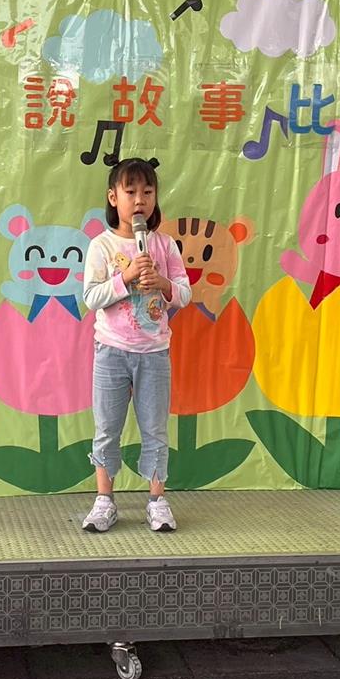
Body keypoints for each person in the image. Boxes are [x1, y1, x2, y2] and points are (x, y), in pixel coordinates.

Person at [81, 158, 192, 533]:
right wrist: (126, 277)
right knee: (106, 429)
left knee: (155, 430)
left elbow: (184, 294)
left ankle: (157, 501)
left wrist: (162, 283)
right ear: (113, 197)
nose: (140, 199)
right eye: (130, 192)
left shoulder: (164, 244)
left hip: (154, 353)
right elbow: (91, 298)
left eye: (147, 191)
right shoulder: (101, 245)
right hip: (111, 351)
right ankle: (104, 500)